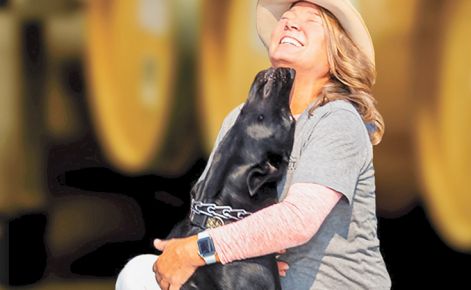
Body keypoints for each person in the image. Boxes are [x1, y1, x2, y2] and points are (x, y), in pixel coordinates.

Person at [116, 0, 391, 289]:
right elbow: (214, 208)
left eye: (313, 20)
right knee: (138, 274)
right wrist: (253, 254)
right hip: (253, 282)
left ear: (337, 51)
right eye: (287, 16)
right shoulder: (239, 117)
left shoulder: (336, 119)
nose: (290, 22)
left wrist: (197, 250)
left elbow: (298, 220)